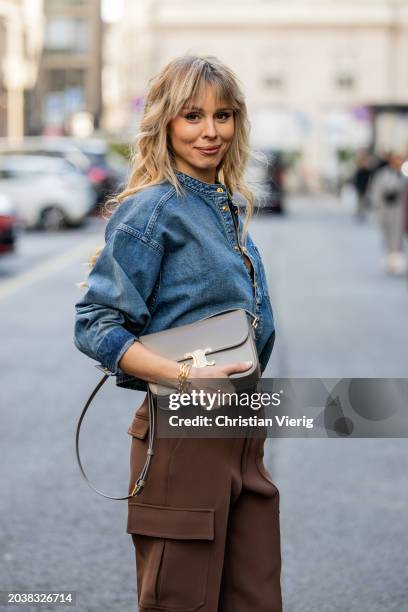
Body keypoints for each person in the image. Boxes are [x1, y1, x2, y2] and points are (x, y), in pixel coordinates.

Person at [73, 55, 282, 611]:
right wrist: (187, 377)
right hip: (184, 431)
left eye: (223, 115)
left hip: (242, 430)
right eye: (192, 116)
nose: (210, 132)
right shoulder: (153, 210)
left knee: (256, 598)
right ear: (165, 122)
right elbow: (95, 324)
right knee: (180, 601)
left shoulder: (227, 207)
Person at [369, 152, 407, 275]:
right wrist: (377, 207)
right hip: (386, 208)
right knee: (387, 234)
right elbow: (376, 190)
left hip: (399, 209)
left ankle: (397, 261)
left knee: (398, 235)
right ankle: (389, 259)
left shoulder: (404, 174)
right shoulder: (382, 174)